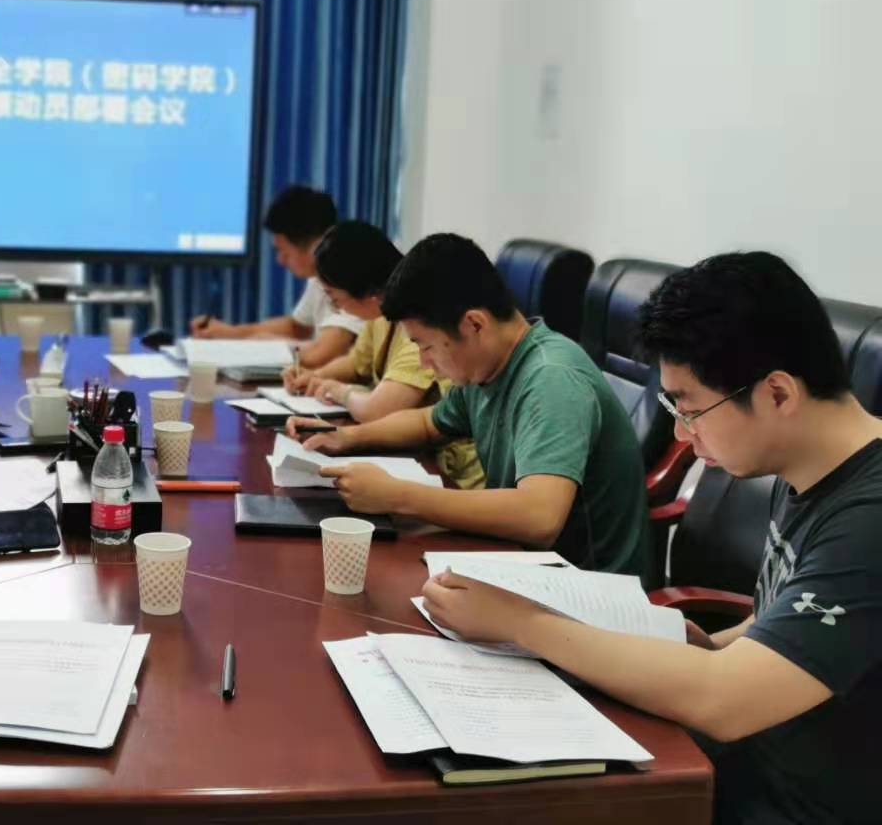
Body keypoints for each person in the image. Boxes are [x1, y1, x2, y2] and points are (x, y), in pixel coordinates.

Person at [422, 252, 882, 825]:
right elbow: (790, 622)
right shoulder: (807, 466)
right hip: (734, 762)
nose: (684, 436)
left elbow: (726, 700)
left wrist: (520, 622)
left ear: (778, 395)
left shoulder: (869, 517)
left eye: (690, 408)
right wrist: (708, 643)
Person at [289, 233, 648, 577]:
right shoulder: (488, 368)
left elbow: (540, 517)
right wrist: (346, 438)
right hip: (522, 564)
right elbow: (429, 424)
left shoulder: (551, 378)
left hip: (587, 589)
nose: (425, 362)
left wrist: (397, 496)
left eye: (426, 345)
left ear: (474, 324)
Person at [284, 221, 484, 488]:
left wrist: (338, 391)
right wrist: (316, 380)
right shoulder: (390, 317)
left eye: (336, 299)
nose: (425, 361)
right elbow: (360, 364)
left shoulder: (421, 322)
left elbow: (379, 410)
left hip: (452, 474)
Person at [188, 186, 364, 368]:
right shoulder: (319, 278)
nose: (280, 260)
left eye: (283, 251)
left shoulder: (354, 279)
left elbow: (321, 354)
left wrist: (267, 346)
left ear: (316, 247)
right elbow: (297, 327)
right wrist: (230, 332)